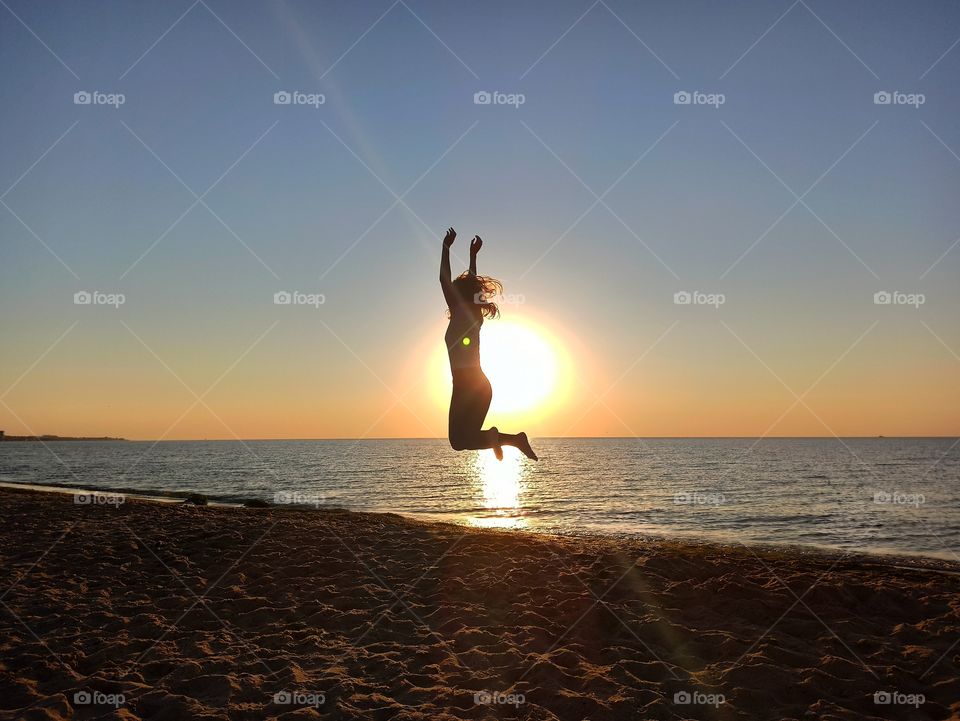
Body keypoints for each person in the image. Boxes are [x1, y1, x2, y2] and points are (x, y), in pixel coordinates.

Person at [439, 227, 538, 461]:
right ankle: (514, 440)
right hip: (480, 386)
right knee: (462, 440)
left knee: (459, 442)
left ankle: (505, 437)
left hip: (466, 385)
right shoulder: (474, 317)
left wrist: (445, 247)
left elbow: (443, 279)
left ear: (457, 296)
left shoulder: (462, 312)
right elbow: (470, 283)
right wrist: (473, 256)